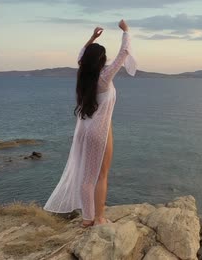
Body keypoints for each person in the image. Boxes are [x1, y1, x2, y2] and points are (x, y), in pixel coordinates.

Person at [43, 19, 137, 227]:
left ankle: (87, 218)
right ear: (101, 61)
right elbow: (124, 53)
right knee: (101, 175)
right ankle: (100, 218)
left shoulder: (83, 75)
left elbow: (80, 57)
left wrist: (92, 38)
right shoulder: (104, 77)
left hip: (86, 129)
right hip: (101, 131)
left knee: (88, 176)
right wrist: (126, 31)